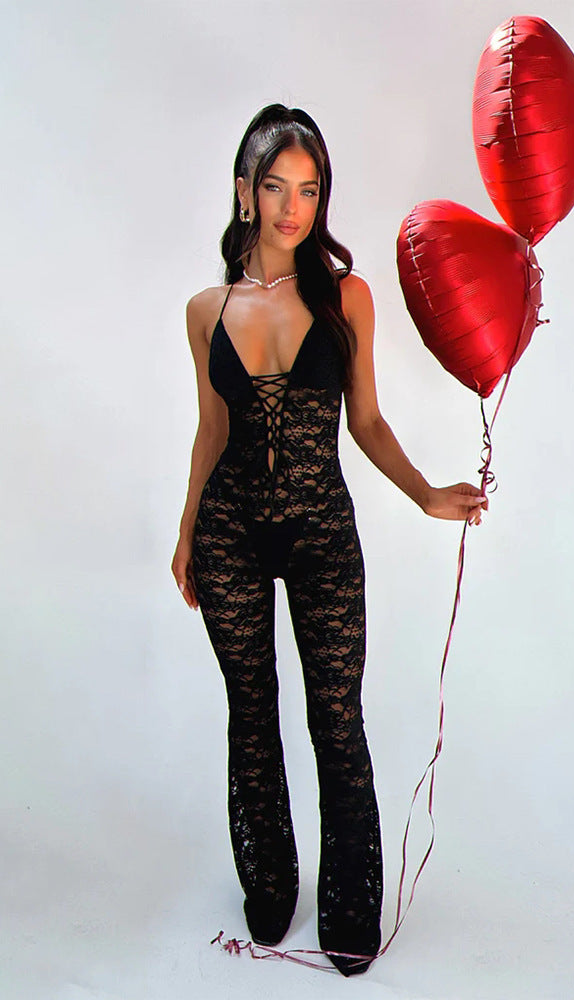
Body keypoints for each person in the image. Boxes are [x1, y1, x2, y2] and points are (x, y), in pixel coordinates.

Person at [172, 104, 487, 976]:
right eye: (276, 187)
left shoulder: (347, 297)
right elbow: (211, 430)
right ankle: (270, 884)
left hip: (319, 530)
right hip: (230, 531)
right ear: (245, 192)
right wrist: (188, 529)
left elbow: (368, 421)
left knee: (335, 715)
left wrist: (425, 494)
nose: (291, 208)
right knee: (250, 709)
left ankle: (349, 903)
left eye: (308, 190)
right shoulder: (205, 311)